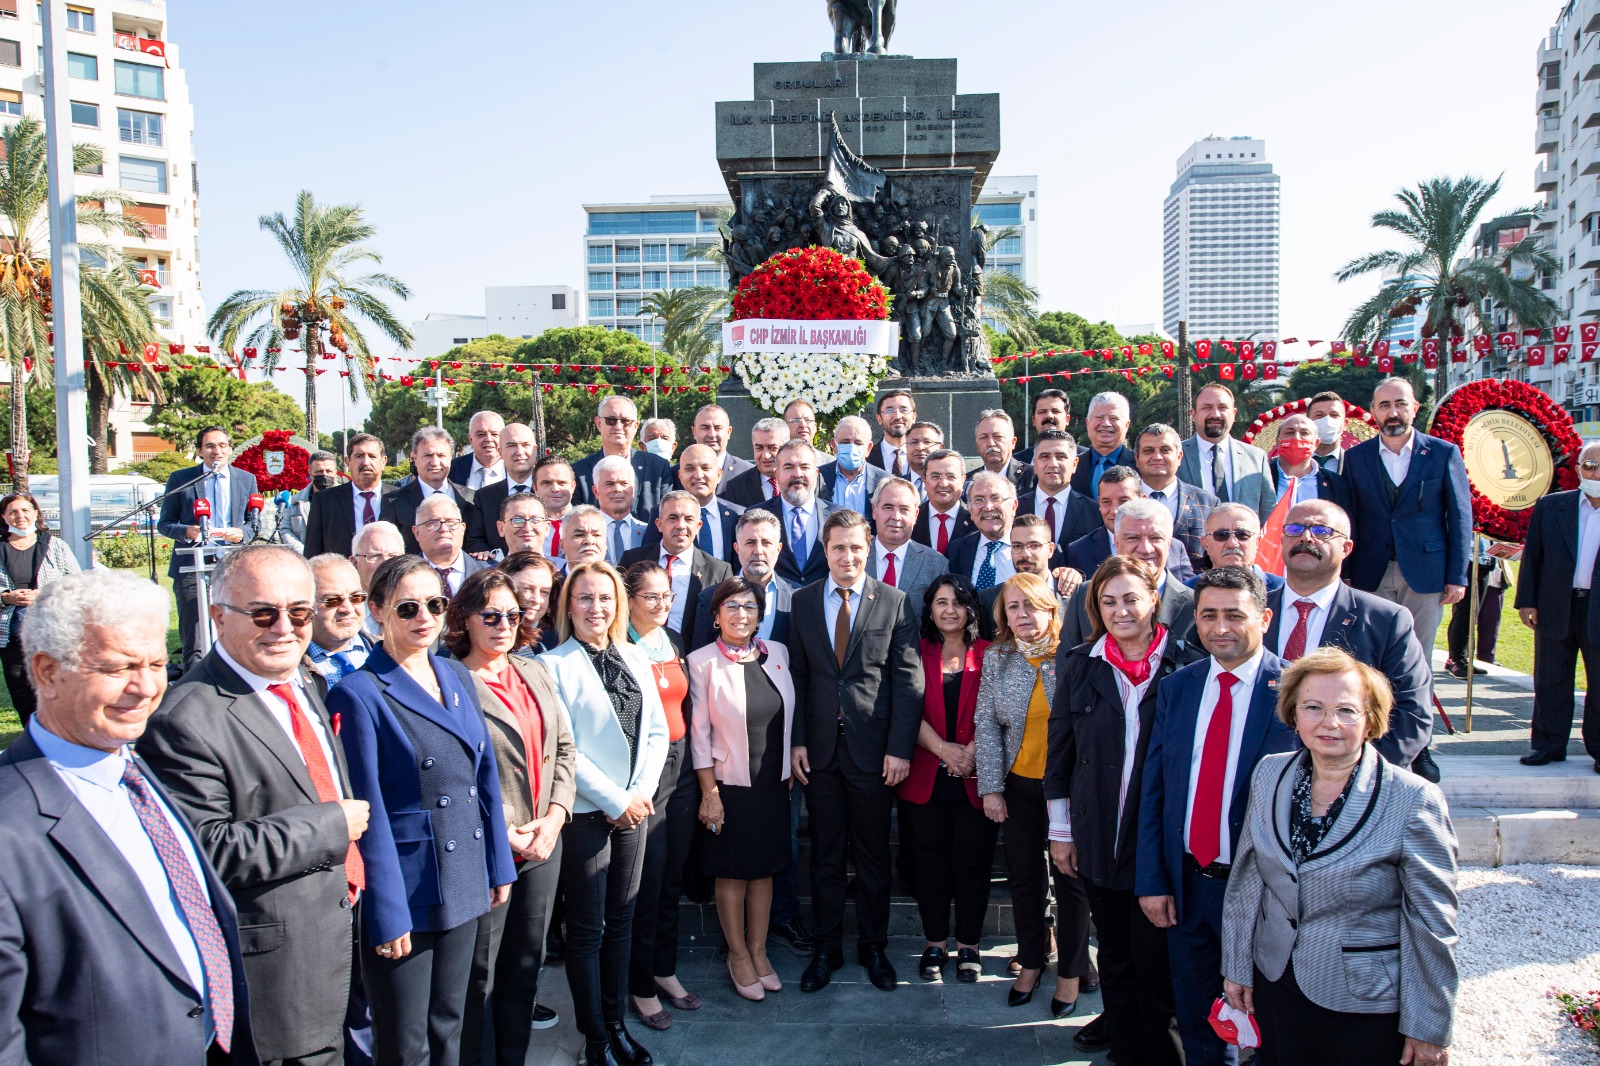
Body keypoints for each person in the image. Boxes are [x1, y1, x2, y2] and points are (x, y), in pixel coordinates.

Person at [0, 570, 254, 1061]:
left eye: (157, 663)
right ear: (48, 673)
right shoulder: (12, 828)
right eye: (118, 668)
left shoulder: (134, 771)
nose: (145, 687)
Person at [140, 544, 365, 1066]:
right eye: (263, 613)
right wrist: (331, 825)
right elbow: (205, 850)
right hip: (276, 981)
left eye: (300, 612)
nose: (284, 627)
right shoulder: (185, 718)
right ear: (218, 616)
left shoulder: (299, 679)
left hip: (337, 942)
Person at [1221, 648, 1459, 1066]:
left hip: (1363, 1005)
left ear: (1371, 719)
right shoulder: (1268, 773)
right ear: (1294, 714)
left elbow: (1431, 923)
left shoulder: (1414, 799)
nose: (1329, 723)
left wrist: (1428, 1026)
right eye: (1313, 707)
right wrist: (1237, 966)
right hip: (1276, 987)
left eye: (1346, 710)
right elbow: (1247, 882)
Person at [328, 555, 515, 1066]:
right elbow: (369, 816)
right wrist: (385, 912)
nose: (424, 618)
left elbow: (485, 779)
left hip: (463, 873)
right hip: (408, 887)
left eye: (435, 604)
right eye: (408, 607)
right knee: (406, 1043)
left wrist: (497, 864)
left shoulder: (454, 674)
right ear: (377, 612)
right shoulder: (359, 692)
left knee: (450, 1024)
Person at [1135, 566, 1299, 1066]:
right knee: (1198, 1019)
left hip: (1264, 892)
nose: (1220, 627)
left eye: (1234, 614)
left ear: (1265, 618)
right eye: (1208, 615)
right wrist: (1152, 878)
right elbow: (1155, 787)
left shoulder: (1296, 690)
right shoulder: (1180, 686)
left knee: (1268, 1021)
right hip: (1188, 886)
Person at [1048, 555, 1195, 1063]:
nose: (1121, 611)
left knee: (1156, 965)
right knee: (1112, 956)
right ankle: (1128, 1051)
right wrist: (1060, 831)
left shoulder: (1186, 666)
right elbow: (1061, 751)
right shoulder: (1081, 663)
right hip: (1098, 836)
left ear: (1155, 599)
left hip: (1158, 840)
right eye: (1108, 602)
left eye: (1131, 598)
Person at [537, 561, 669, 1066]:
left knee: (623, 921)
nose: (597, 607)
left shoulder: (635, 655)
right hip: (590, 816)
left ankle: (616, 1025)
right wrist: (616, 800)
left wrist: (638, 794)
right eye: (585, 598)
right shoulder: (553, 665)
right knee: (588, 930)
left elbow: (657, 732)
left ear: (619, 604)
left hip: (634, 811)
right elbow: (564, 747)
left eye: (606, 598)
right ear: (568, 605)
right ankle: (596, 1038)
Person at [788, 508, 922, 993]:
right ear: (826, 551)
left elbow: (907, 682)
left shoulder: (894, 601)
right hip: (820, 753)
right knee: (824, 857)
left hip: (874, 753)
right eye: (838, 547)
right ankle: (827, 949)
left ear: (869, 550)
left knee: (871, 856)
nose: (847, 556)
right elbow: (798, 676)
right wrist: (798, 739)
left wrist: (899, 748)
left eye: (855, 548)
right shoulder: (802, 603)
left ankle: (874, 946)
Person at [450, 569, 576, 1066]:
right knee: (481, 973)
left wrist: (557, 816)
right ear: (465, 618)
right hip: (490, 846)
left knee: (526, 966)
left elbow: (564, 747)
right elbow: (455, 771)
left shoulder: (534, 669)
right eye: (490, 615)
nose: (503, 624)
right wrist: (504, 828)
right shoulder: (450, 680)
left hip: (544, 843)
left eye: (512, 615)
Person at [975, 572, 1094, 1017]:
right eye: (1013, 607)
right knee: (1024, 878)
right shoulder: (999, 657)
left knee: (1071, 880)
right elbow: (986, 723)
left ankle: (1071, 970)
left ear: (1051, 607)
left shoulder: (1076, 656)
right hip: (1020, 786)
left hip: (1069, 790)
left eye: (1031, 605)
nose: (1023, 615)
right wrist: (991, 787)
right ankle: (1030, 959)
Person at [1344, 377, 1471, 784]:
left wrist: (1457, 574)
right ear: (1374, 411)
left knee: (1419, 659)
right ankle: (1372, 739)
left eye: (1400, 403)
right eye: (1384, 405)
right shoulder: (1358, 457)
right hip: (1371, 571)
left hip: (1426, 573)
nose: (1392, 412)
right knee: (1370, 659)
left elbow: (1460, 516)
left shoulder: (1442, 454)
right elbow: (1350, 517)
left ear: (1414, 407)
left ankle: (1420, 747)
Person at [689, 576, 798, 1001]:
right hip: (729, 786)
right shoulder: (701, 662)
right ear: (716, 616)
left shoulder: (778, 654)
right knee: (733, 873)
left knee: (766, 869)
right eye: (731, 607)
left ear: (760, 614)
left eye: (750, 607)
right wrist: (709, 794)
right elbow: (698, 736)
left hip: (774, 783)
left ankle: (759, 950)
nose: (741, 614)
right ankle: (737, 954)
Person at [1266, 499, 1433, 767]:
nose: (1306, 537)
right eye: (1295, 529)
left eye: (1321, 531)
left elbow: (1412, 715)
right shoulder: (1251, 613)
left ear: (1346, 548)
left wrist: (1356, 779)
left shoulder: (1386, 621)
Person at [899, 575, 995, 983]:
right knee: (929, 864)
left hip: (976, 777)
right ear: (930, 609)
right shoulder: (914, 653)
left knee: (973, 864)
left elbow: (996, 713)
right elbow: (903, 709)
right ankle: (934, 943)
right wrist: (945, 750)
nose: (950, 609)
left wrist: (970, 752)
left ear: (971, 608)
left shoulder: (991, 654)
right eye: (941, 602)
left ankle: (969, 945)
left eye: (958, 602)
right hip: (926, 778)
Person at [619, 562, 701, 1032]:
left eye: (667, 596)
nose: (662, 605)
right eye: (651, 597)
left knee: (672, 876)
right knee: (645, 884)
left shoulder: (671, 640)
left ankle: (663, 967)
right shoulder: (620, 645)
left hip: (682, 766)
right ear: (629, 599)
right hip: (643, 772)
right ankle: (639, 983)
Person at [1515, 441, 1600, 769]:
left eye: (1598, 466)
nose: (1593, 472)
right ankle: (1547, 745)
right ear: (1578, 469)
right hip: (1555, 605)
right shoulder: (1552, 506)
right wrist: (1526, 601)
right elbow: (1533, 556)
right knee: (1550, 679)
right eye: (1588, 465)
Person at [158, 425, 262, 664]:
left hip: (232, 565)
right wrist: (187, 531)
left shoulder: (246, 480)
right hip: (191, 565)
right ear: (200, 451)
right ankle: (193, 688)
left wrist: (242, 533)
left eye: (222, 445)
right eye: (210, 446)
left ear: (230, 449)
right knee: (194, 636)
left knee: (237, 627)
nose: (217, 451)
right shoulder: (181, 479)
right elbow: (165, 523)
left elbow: (253, 524)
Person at [1062, 499, 1197, 648]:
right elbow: (1067, 665)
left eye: (1156, 538)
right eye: (1133, 538)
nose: (1145, 549)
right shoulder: (1084, 595)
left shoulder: (1194, 604)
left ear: (1169, 543)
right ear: (1117, 542)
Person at [0, 492, 78, 721]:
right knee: (20, 686)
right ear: (4, 517)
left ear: (35, 513)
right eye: (12, 512)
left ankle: (60, 728)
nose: (19, 516)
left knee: (53, 680)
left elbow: (76, 584)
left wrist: (43, 594)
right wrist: (6, 598)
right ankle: (33, 732)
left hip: (50, 628)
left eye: (25, 510)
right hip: (10, 631)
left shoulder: (55, 546)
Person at [621, 490, 733, 644]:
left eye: (688, 519)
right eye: (673, 518)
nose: (681, 525)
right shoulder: (632, 560)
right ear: (659, 524)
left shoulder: (719, 571)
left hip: (690, 660)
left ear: (698, 526)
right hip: (636, 653)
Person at [1065, 465, 1193, 582]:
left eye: (1124, 500)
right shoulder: (1078, 550)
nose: (1115, 510)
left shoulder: (1175, 547)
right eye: (1106, 502)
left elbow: (1187, 595)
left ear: (1143, 499)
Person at [1178, 384, 1275, 522]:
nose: (1215, 414)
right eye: (1207, 407)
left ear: (1234, 414)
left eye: (1222, 408)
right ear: (1193, 414)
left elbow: (1268, 511)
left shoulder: (1256, 458)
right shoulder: (1175, 455)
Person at [571, 396, 675, 519]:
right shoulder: (579, 472)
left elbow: (667, 516)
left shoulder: (658, 468)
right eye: (611, 420)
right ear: (599, 423)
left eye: (625, 421)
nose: (618, 426)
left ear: (635, 426)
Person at [753, 439, 838, 586]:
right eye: (788, 467)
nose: (797, 474)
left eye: (805, 467)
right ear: (777, 474)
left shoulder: (838, 515)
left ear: (816, 473)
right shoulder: (756, 517)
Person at [380, 427, 476, 556]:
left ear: (451, 458)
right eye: (428, 455)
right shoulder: (394, 502)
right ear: (415, 458)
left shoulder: (471, 498)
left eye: (441, 455)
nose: (435, 462)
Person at [1136, 423, 1217, 573]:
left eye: (1165, 450)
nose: (1157, 456)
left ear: (1179, 457)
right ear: (1137, 458)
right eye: (1148, 451)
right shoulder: (1125, 500)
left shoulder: (1208, 503)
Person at [306, 432, 394, 558]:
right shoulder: (324, 501)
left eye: (372, 456)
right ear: (348, 461)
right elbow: (312, 552)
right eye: (359, 456)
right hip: (341, 575)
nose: (366, 462)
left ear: (383, 461)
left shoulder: (399, 498)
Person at [869, 475, 949, 608]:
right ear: (874, 511)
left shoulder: (936, 564)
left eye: (904, 509)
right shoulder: (856, 557)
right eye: (888, 507)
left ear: (916, 515)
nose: (896, 516)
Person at [304, 553, 375, 699]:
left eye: (356, 597)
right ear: (306, 604)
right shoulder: (290, 668)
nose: (347, 608)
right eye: (333, 600)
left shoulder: (389, 653)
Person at [466, 422, 540, 557]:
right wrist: (495, 558)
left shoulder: (551, 492)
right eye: (511, 445)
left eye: (525, 445)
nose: (519, 452)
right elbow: (475, 541)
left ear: (535, 449)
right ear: (500, 452)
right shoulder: (484, 497)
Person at [666, 443, 745, 565]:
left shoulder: (739, 515)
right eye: (690, 469)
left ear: (719, 475)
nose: (698, 475)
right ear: (680, 476)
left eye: (705, 468)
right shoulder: (662, 513)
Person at [1021, 429, 1099, 551]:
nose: (1053, 464)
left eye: (1061, 456)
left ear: (1074, 464)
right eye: (1045, 457)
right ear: (1035, 464)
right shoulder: (1014, 510)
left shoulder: (1094, 513)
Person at [1182, 503, 1285, 593]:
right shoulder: (1187, 592)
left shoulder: (1281, 590)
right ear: (1205, 543)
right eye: (1221, 535)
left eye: (1242, 534)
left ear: (1257, 542)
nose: (1232, 543)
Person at [1446, 533, 1508, 679]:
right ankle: (1457, 660)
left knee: (1472, 612)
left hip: (1485, 560)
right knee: (1465, 611)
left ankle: (1461, 659)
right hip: (1467, 560)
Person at [948, 470, 1020, 594]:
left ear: (1013, 506)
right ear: (970, 510)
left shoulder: (1036, 549)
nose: (987, 507)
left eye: (996, 498)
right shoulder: (956, 551)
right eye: (979, 500)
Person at [1267, 413, 1350, 511]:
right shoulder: (1262, 478)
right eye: (1290, 432)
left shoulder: (1335, 483)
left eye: (1304, 433)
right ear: (1278, 442)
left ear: (1316, 443)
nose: (1297, 438)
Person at [413, 494, 489, 598]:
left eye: (450, 522)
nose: (443, 528)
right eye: (433, 523)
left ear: (463, 528)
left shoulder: (489, 572)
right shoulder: (403, 577)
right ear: (417, 532)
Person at [819, 414, 887, 516]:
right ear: (833, 445)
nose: (851, 448)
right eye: (845, 442)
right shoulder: (818, 476)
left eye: (858, 443)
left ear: (869, 448)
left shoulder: (884, 481)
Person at [1071, 392, 1136, 497]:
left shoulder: (1140, 464)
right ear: (1088, 423)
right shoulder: (1071, 465)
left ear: (1127, 425)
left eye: (1113, 418)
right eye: (1099, 417)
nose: (1106, 423)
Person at [351, 520, 406, 641]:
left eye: (393, 556)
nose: (386, 563)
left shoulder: (419, 609)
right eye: (375, 556)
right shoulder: (346, 612)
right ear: (354, 562)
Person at [913, 447, 977, 550]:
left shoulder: (976, 520)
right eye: (935, 476)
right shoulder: (911, 519)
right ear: (924, 479)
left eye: (950, 476)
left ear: (963, 480)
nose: (943, 484)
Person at [500, 551, 562, 655]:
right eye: (527, 589)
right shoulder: (485, 640)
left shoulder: (558, 643)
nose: (537, 599)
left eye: (544, 592)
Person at [720, 417, 790, 508]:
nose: (765, 456)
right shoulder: (737, 487)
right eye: (759, 448)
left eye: (773, 448)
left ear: (786, 447)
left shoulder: (799, 479)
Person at [279, 450, 341, 550]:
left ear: (335, 473)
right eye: (319, 471)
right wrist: (306, 553)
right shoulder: (295, 501)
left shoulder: (349, 498)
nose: (324, 475)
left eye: (328, 471)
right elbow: (285, 529)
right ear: (310, 472)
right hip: (305, 560)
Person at [593, 456, 650, 565]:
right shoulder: (585, 534)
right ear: (596, 491)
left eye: (624, 483)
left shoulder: (648, 531)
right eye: (609, 484)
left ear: (633, 490)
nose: (618, 489)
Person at [974, 408, 1036, 495]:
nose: (991, 443)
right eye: (983, 437)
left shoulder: (1033, 476)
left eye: (998, 436)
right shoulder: (969, 482)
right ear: (977, 445)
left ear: (1013, 442)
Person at [690, 404, 754, 481]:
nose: (712, 434)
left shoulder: (748, 473)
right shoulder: (675, 475)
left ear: (728, 432)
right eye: (705, 428)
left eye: (718, 428)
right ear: (694, 432)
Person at [535, 455, 578, 562]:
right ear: (535, 488)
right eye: (546, 483)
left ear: (573, 486)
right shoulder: (526, 527)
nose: (555, 489)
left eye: (561, 483)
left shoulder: (589, 523)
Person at [450, 411, 507, 490]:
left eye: (494, 434)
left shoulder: (517, 468)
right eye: (481, 434)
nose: (488, 439)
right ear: (470, 439)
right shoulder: (452, 469)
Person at [1015, 388, 1071, 466]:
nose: (1049, 416)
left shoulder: (1085, 459)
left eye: (1055, 411)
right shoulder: (1017, 462)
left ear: (1067, 419)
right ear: (1034, 420)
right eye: (1042, 412)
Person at [868, 389, 917, 476]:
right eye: (889, 410)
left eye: (903, 410)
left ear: (913, 417)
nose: (897, 416)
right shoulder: (867, 456)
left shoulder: (927, 456)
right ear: (879, 419)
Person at [494, 492, 551, 562]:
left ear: (547, 528)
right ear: (501, 528)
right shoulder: (491, 573)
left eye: (535, 520)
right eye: (518, 520)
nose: (527, 528)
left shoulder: (563, 570)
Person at [1306, 391, 1349, 474]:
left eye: (1334, 415)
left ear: (1345, 424)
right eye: (1319, 415)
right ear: (1308, 422)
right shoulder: (1289, 465)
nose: (1327, 420)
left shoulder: (1357, 463)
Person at [560, 505, 611, 571]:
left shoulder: (617, 581)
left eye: (596, 535)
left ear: (605, 544)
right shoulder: (549, 581)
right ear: (562, 545)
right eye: (579, 535)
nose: (589, 541)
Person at [903, 420, 944, 495]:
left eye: (927, 442)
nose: (920, 447)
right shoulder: (895, 485)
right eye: (914, 442)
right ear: (906, 448)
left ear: (941, 448)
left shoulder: (954, 486)